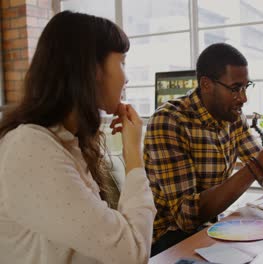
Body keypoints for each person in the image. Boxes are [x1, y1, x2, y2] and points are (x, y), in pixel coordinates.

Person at [0, 11, 156, 264]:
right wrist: (134, 157)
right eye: (122, 62)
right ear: (93, 69)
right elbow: (132, 253)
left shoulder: (65, 142)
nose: (126, 78)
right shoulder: (30, 147)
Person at [144, 43, 263, 256]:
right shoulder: (170, 121)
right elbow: (186, 216)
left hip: (208, 229)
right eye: (235, 88)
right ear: (206, 84)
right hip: (166, 241)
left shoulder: (232, 116)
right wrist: (258, 166)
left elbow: (262, 168)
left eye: (246, 87)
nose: (243, 98)